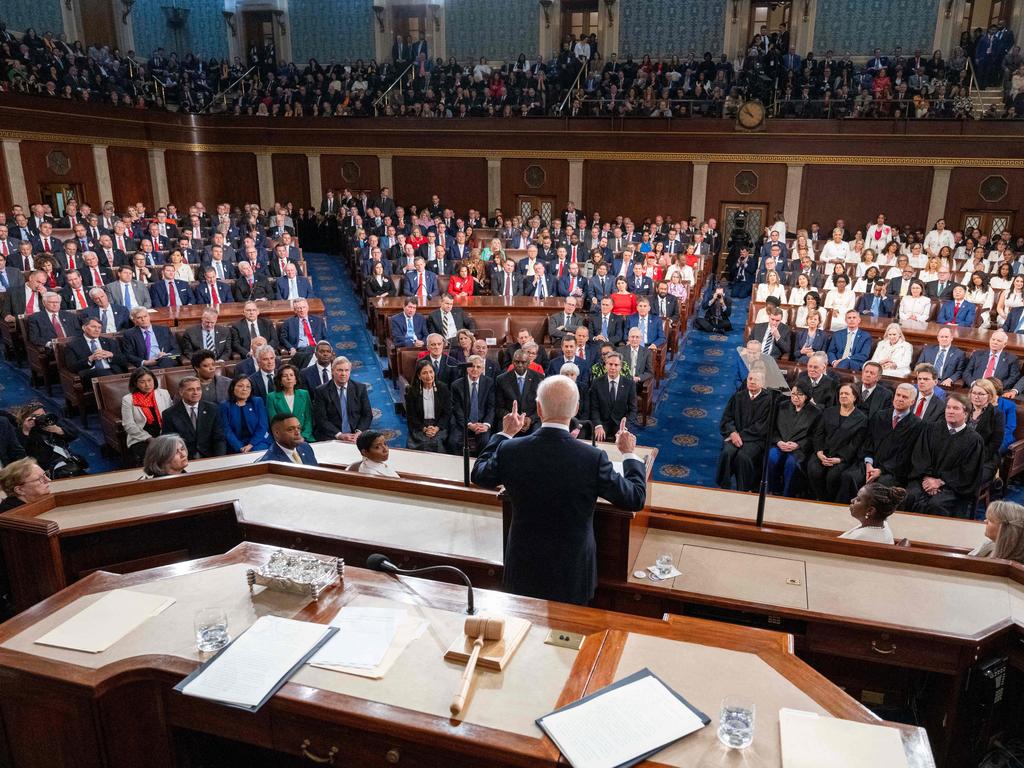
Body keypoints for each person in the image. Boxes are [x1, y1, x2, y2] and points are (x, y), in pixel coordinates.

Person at [472, 375, 646, 605]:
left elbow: (479, 474)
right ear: (576, 408)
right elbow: (634, 497)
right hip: (572, 570)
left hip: (524, 562)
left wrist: (505, 434)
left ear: (538, 408)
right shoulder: (592, 458)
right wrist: (628, 454)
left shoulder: (511, 450)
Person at [904, 394, 985, 518]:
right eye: (948, 407)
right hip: (924, 480)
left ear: (966, 413)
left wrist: (941, 481)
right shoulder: (931, 429)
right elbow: (920, 456)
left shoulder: (974, 440)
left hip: (953, 487)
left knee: (936, 504)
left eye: (956, 408)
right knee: (909, 496)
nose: (950, 411)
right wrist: (927, 478)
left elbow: (968, 472)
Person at [838, 383, 922, 501]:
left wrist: (881, 470)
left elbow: (906, 456)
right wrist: (868, 464)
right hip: (870, 464)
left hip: (892, 471)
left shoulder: (917, 425)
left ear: (912, 402)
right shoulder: (880, 416)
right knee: (849, 476)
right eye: (898, 395)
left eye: (905, 397)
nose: (900, 399)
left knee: (880, 485)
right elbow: (868, 442)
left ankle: (871, 517)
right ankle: (842, 513)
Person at [805, 383, 868, 502]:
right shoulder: (829, 412)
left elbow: (855, 444)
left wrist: (840, 459)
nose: (843, 396)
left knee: (832, 477)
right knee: (814, 470)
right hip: (823, 452)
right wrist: (819, 452)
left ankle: (831, 502)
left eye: (847, 394)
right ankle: (820, 499)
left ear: (854, 397)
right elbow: (819, 434)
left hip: (842, 457)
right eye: (841, 393)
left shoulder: (861, 418)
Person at [716, 370, 773, 491]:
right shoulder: (738, 396)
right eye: (750, 379)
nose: (751, 382)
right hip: (735, 435)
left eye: (755, 380)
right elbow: (727, 418)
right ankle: (724, 486)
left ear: (762, 383)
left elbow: (762, 427)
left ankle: (744, 490)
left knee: (743, 457)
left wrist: (738, 436)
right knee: (727, 452)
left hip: (755, 440)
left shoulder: (769, 400)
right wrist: (732, 432)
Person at [766, 383, 819, 497]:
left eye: (799, 395)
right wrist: (778, 441)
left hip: (798, 449)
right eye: (793, 394)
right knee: (771, 457)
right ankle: (773, 490)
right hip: (780, 444)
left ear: (806, 396)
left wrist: (798, 445)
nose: (795, 397)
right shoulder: (782, 406)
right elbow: (772, 428)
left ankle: (787, 494)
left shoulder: (815, 412)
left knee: (791, 463)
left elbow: (814, 437)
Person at [161, 376, 227, 459]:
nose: (196, 392)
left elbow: (219, 438)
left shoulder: (213, 409)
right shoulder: (169, 414)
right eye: (190, 389)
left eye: (198, 389)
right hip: (184, 459)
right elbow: (170, 444)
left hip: (210, 457)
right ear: (181, 392)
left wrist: (219, 459)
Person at [312, 356, 373, 442]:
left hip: (356, 434)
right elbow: (321, 420)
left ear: (350, 371)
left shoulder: (360, 388)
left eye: (346, 370)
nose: (343, 374)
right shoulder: (321, 391)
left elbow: (367, 414)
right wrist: (339, 435)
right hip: (333, 435)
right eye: (340, 370)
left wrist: (358, 432)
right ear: (332, 371)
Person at [121, 367, 173, 465]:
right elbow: (129, 425)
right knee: (155, 457)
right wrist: (149, 438)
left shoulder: (163, 393)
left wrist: (165, 436)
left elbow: (170, 416)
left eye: (149, 380)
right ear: (135, 383)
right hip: (140, 437)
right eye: (142, 382)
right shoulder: (128, 399)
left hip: (164, 433)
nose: (147, 385)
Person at [448, 355, 494, 457]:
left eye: (478, 367)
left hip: (482, 423)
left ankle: (479, 466)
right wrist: (469, 424)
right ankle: (457, 467)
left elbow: (491, 407)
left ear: (483, 369)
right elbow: (457, 409)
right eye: (472, 366)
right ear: (467, 368)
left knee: (486, 442)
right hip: (463, 423)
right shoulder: (456, 385)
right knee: (453, 442)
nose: (475, 369)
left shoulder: (489, 382)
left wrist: (486, 425)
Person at [219, 376, 272, 454]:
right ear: (233, 387)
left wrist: (251, 445)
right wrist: (239, 447)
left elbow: (263, 426)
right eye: (240, 386)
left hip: (259, 441)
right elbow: (227, 430)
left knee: (255, 451)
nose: (244, 389)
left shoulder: (257, 401)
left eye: (248, 386)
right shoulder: (225, 405)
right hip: (236, 443)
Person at [405, 362, 450, 452]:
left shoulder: (443, 388)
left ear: (434, 373)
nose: (429, 375)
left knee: (436, 443)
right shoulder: (412, 391)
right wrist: (424, 429)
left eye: (431, 372)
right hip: (420, 426)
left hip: (438, 425)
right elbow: (411, 416)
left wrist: (436, 428)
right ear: (419, 376)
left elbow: (447, 413)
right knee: (424, 443)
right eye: (424, 373)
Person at [967, 378, 1004, 484]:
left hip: (985, 458)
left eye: (981, 394)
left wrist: (975, 458)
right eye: (974, 393)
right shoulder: (964, 408)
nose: (976, 396)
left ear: (990, 395)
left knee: (968, 478)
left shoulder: (996, 414)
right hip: (960, 453)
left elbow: (995, 443)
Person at [839, 483, 905, 544]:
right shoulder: (884, 525)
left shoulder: (859, 537)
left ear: (870, 510)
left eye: (858, 499)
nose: (852, 500)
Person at [266, 364, 315, 443]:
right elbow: (274, 423)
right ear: (280, 381)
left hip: (304, 437)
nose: (289, 378)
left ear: (295, 379)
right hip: (284, 439)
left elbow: (309, 419)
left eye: (291, 375)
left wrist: (303, 436)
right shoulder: (271, 397)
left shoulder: (304, 394)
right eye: (285, 376)